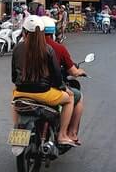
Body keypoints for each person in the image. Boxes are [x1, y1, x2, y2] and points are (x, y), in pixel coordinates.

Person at [11, 15, 76, 146]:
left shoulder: (17, 48)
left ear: (24, 32)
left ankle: (16, 129)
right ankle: (63, 135)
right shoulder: (48, 49)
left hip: (21, 93)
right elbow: (57, 77)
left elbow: (14, 77)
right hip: (44, 94)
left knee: (14, 102)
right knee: (70, 98)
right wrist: (64, 89)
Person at [41, 16, 86, 144]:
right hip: (48, 89)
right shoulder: (57, 49)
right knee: (75, 96)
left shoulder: (26, 47)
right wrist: (79, 72)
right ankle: (67, 133)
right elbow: (70, 72)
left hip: (23, 89)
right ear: (53, 32)